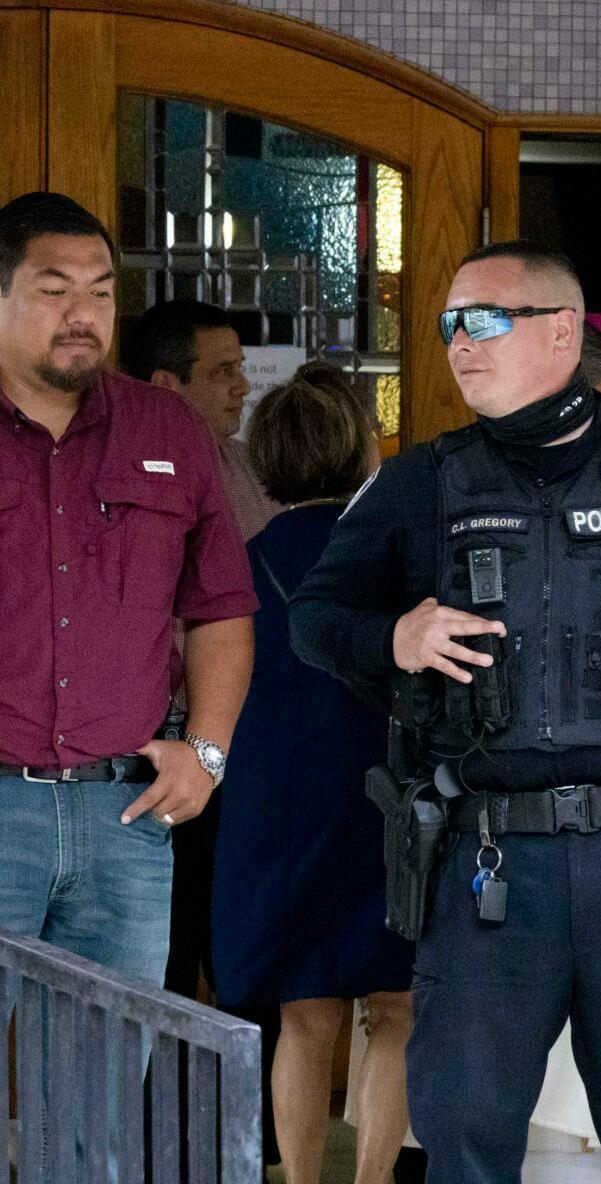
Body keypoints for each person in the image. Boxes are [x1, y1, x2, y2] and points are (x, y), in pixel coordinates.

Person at [289, 240, 601, 1184]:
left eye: (484, 321)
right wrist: (393, 638)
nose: (458, 344)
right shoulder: (423, 482)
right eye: (449, 324)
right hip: (491, 858)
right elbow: (315, 619)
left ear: (562, 332)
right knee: (468, 1149)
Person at [0, 190, 254, 985]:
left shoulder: (166, 428)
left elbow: (220, 607)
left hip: (126, 816)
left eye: (102, 292)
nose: (83, 313)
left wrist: (206, 755)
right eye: (54, 290)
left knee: (105, 1089)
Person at [211, 364, 413, 1184]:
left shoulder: (235, 565)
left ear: (265, 461)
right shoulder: (397, 563)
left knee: (303, 1017)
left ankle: (300, 1180)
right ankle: (371, 1180)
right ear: (361, 455)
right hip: (387, 800)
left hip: (274, 805)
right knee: (397, 1009)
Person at [127, 296, 281, 538]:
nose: (243, 387)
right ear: (165, 385)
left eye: (239, 368)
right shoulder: (127, 478)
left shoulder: (260, 468)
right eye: (224, 371)